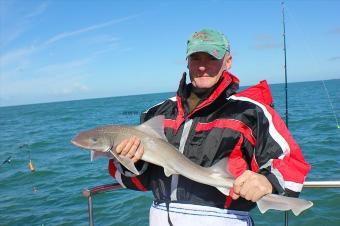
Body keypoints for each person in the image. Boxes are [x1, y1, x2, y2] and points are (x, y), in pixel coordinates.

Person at [107, 28, 311, 226]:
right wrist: (128, 163)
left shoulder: (252, 112)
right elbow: (141, 183)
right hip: (160, 217)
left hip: (225, 218)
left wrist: (268, 182)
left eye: (211, 58)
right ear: (187, 62)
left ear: (228, 62)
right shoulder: (156, 113)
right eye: (196, 58)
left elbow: (291, 161)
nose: (202, 66)